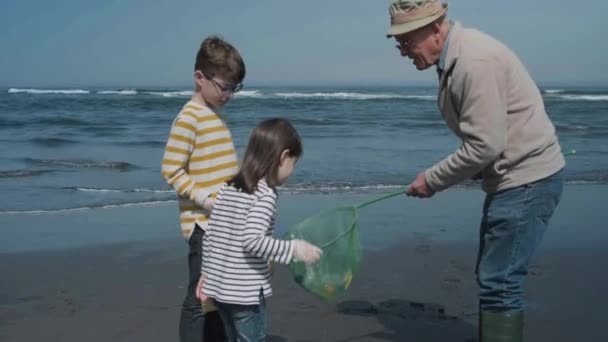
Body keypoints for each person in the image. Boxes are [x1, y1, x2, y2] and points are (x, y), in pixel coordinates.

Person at [386, 1, 565, 341]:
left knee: (499, 282)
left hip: (527, 180)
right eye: (399, 42)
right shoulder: (456, 57)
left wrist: (432, 179)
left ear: (436, 28)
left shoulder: (473, 61)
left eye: (407, 41)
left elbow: (485, 145)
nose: (404, 51)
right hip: (514, 179)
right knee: (494, 277)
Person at [196, 118, 323, 342]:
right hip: (244, 295)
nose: (292, 171)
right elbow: (252, 240)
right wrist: (295, 249)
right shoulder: (264, 195)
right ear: (283, 157)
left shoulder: (230, 187)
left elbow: (211, 235)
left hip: (219, 289)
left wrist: (206, 273)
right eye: (293, 163)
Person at [161, 35, 246, 342]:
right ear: (200, 77)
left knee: (220, 293)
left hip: (222, 221)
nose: (229, 95)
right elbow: (171, 170)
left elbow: (220, 168)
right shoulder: (188, 118)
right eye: (224, 87)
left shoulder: (213, 115)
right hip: (202, 224)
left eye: (234, 88)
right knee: (200, 296)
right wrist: (205, 200)